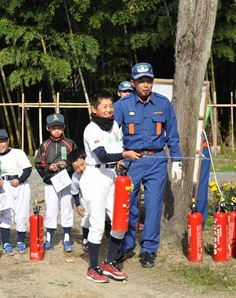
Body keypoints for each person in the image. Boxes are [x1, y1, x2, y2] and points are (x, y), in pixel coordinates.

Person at [114, 62, 183, 268]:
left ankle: (148, 249)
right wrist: (118, 156)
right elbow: (112, 135)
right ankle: (126, 245)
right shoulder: (122, 105)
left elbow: (172, 135)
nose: (146, 85)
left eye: (149, 81)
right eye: (141, 81)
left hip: (156, 160)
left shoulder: (163, 104)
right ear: (133, 83)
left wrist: (177, 161)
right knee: (128, 205)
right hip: (130, 161)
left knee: (153, 207)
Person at [80, 90, 140, 283]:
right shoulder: (91, 129)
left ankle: (109, 262)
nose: (108, 110)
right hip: (95, 175)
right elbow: (102, 155)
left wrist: (121, 159)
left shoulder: (114, 125)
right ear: (94, 109)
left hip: (112, 175)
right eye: (104, 106)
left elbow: (117, 147)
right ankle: (93, 267)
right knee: (97, 223)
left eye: (111, 106)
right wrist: (124, 155)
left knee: (120, 221)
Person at [34, 112, 77, 252]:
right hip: (51, 183)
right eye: (53, 127)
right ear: (48, 128)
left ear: (64, 127)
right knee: (51, 210)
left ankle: (66, 240)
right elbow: (38, 164)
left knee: (67, 209)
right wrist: (48, 168)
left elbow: (78, 161)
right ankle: (49, 240)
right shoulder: (44, 145)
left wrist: (68, 165)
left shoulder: (70, 144)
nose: (56, 130)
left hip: (66, 182)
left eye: (59, 127)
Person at [0, 129, 32, 255]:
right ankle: (6, 243)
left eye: (2, 141)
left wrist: (19, 180)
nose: (0, 145)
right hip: (5, 186)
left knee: (22, 213)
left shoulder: (18, 153)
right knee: (6, 214)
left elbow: (28, 169)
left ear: (8, 141)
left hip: (20, 185)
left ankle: (20, 242)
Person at [67, 150, 89, 252]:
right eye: (76, 168)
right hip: (85, 199)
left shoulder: (93, 170)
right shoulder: (75, 177)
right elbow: (75, 192)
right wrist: (78, 205)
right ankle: (85, 239)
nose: (81, 169)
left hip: (99, 197)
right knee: (86, 219)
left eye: (82, 165)